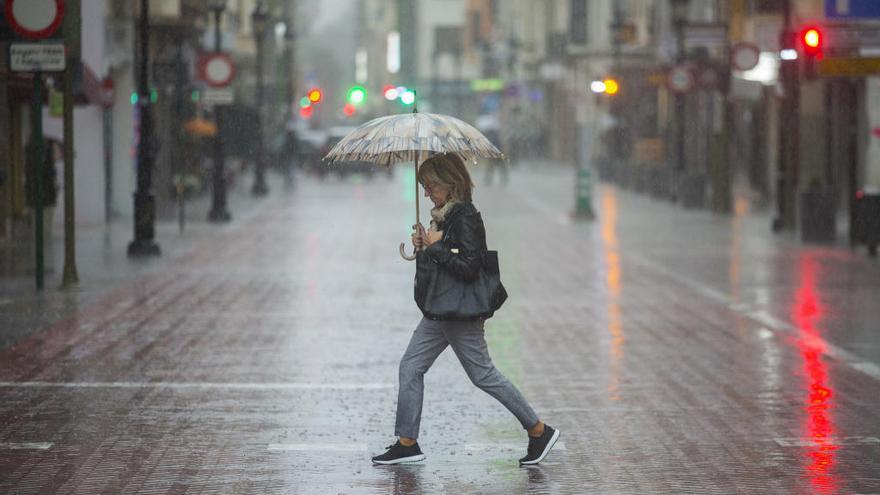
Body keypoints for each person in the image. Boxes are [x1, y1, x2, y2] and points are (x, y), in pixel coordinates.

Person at [371, 153, 559, 466]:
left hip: (459, 311)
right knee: (411, 366)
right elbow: (444, 257)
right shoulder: (444, 216)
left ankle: (539, 431)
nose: (427, 192)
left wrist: (436, 247)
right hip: (441, 310)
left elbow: (470, 266)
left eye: (431, 185)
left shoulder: (466, 216)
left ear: (450, 183)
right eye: (424, 186)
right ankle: (407, 443)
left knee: (483, 374)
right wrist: (424, 246)